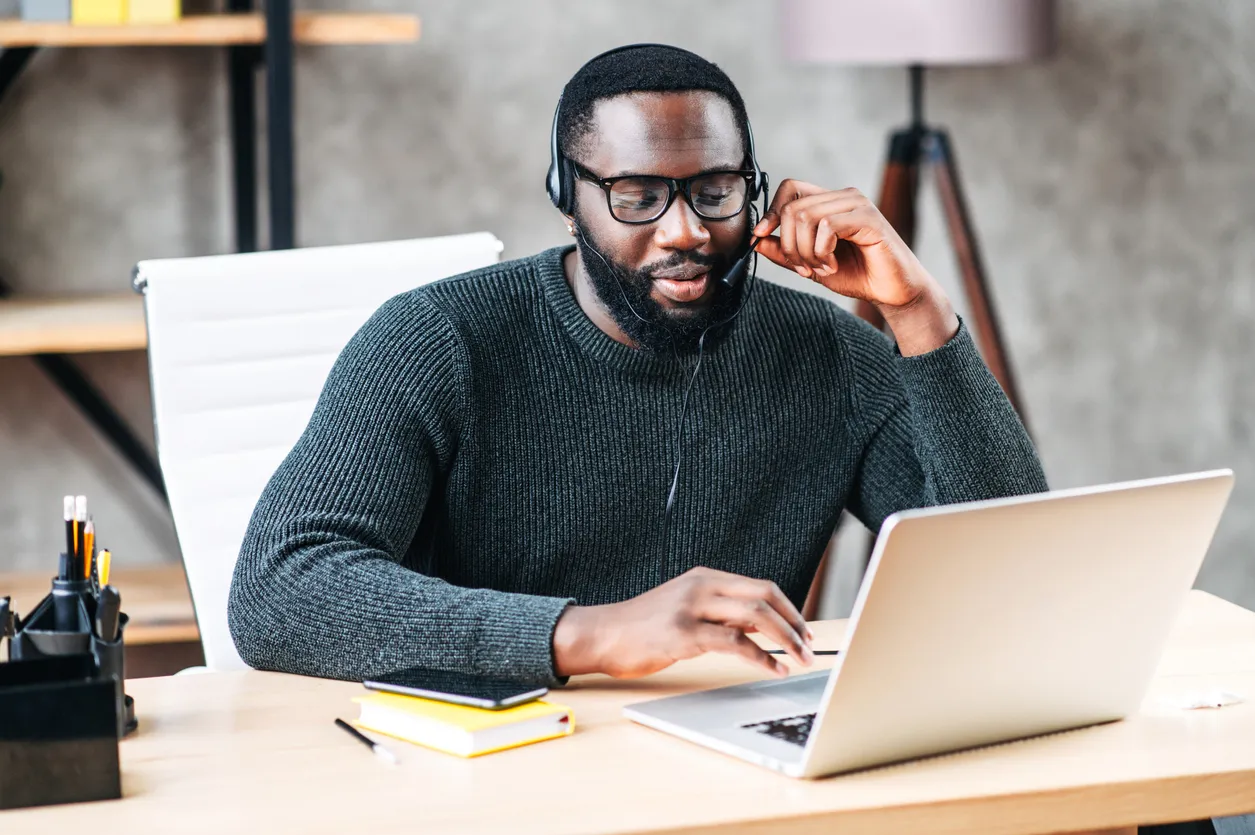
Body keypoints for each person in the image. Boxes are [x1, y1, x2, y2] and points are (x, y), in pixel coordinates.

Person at [227, 44, 1046, 686]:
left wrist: (918, 315)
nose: (685, 229)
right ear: (565, 193)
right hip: (495, 763)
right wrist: (592, 632)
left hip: (733, 762)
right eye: (635, 195)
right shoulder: (435, 338)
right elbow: (280, 591)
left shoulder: (828, 353)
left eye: (715, 189)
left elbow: (1006, 579)